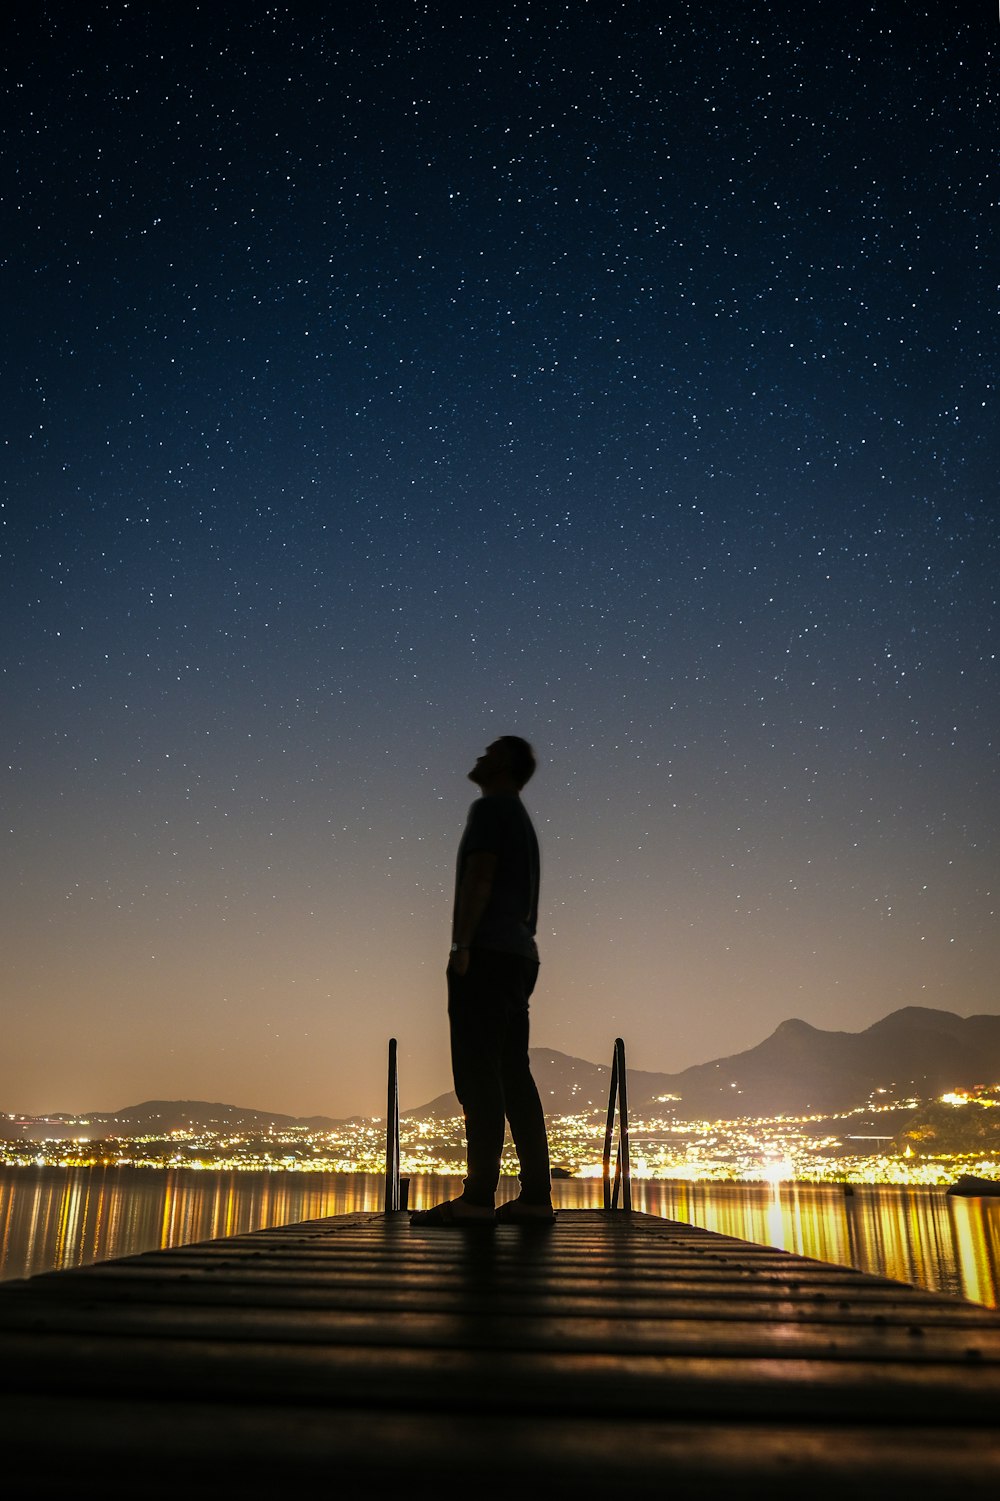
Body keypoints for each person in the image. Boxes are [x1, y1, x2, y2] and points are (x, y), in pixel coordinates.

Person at [411, 736, 553, 1225]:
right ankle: (536, 1196)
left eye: (489, 753)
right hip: (520, 957)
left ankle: (477, 1200)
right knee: (514, 1074)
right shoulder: (522, 822)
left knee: (478, 1073)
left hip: (487, 954)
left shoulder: (490, 809)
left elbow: (480, 876)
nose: (477, 757)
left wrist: (460, 946)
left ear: (504, 766)